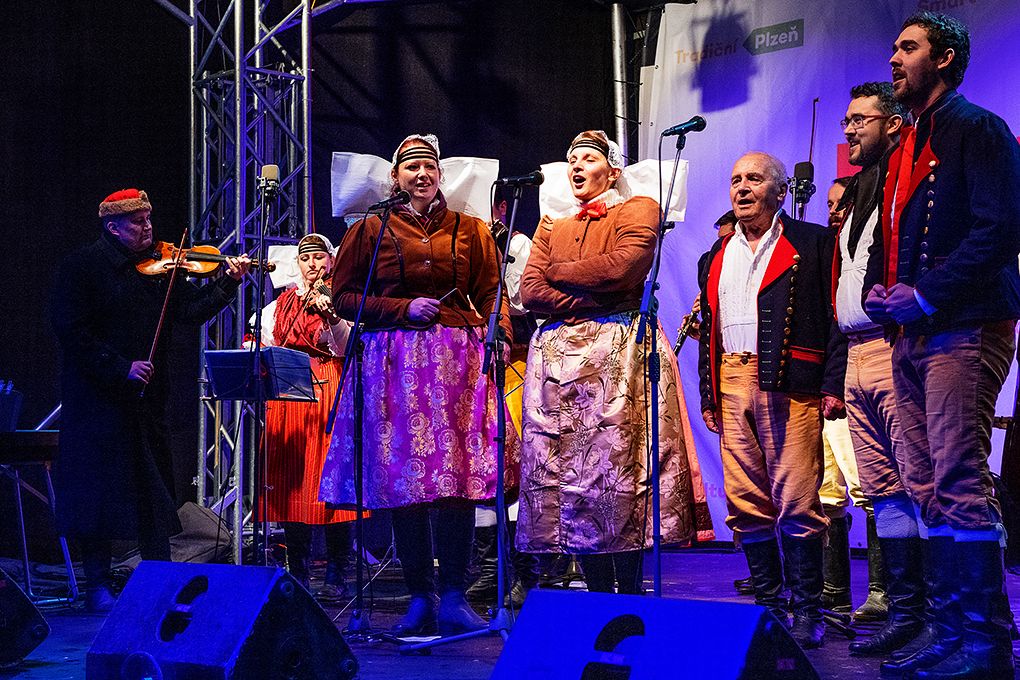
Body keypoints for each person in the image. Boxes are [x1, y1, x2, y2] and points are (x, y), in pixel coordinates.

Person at [864, 12, 1020, 678]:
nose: (894, 58)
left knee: (957, 479)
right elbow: (891, 236)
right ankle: (950, 630)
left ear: (945, 57)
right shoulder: (907, 140)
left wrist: (925, 293)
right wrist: (880, 290)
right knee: (926, 485)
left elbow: (1000, 229)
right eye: (895, 47)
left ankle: (984, 645)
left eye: (908, 47)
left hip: (965, 324)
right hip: (915, 332)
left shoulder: (978, 128)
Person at [319, 134, 516, 636]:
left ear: (440, 175)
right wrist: (401, 308)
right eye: (412, 167)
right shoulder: (370, 228)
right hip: (395, 364)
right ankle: (420, 596)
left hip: (457, 363)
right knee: (406, 484)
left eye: (429, 166)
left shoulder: (469, 229)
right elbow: (343, 297)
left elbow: (491, 291)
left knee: (456, 482)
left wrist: (499, 335)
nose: (422, 174)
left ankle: (453, 595)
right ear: (395, 177)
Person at [516, 129, 698, 595]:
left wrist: (558, 274)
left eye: (588, 158)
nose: (576, 166)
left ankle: (631, 589)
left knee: (617, 469)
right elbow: (530, 291)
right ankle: (597, 592)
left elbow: (624, 266)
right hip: (559, 363)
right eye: (572, 159)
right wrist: (590, 295)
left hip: (617, 353)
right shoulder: (552, 224)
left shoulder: (638, 208)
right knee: (571, 473)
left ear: (612, 171)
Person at [51, 189, 251, 611]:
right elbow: (72, 331)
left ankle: (161, 580)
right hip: (98, 401)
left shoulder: (160, 271)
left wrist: (228, 282)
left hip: (148, 401)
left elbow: (191, 312)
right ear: (113, 227)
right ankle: (97, 585)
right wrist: (119, 367)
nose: (148, 228)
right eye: (138, 222)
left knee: (153, 493)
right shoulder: (82, 267)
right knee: (98, 496)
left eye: (149, 219)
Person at [698, 152, 845, 648]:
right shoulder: (715, 255)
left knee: (798, 497)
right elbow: (710, 333)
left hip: (789, 381)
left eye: (754, 179)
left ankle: (808, 612)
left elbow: (835, 318)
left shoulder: (812, 242)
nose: (742, 187)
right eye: (736, 179)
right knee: (745, 500)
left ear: (780, 192)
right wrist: (709, 395)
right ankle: (769, 607)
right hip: (731, 378)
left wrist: (831, 383)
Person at [829, 82, 928, 660]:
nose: (849, 129)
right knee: (884, 492)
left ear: (892, 125)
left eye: (860, 120)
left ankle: (940, 616)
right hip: (856, 353)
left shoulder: (902, 182)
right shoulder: (860, 191)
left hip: (894, 345)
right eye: (846, 120)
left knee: (921, 482)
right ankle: (904, 610)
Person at [255, 233, 356, 600]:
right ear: (297, 264)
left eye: (319, 257)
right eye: (305, 258)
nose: (313, 264)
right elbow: (266, 342)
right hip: (289, 394)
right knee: (291, 483)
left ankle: (336, 570)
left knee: (331, 482)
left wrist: (331, 313)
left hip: (329, 389)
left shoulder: (343, 299)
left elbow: (348, 346)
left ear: (331, 261)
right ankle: (297, 567)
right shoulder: (280, 305)